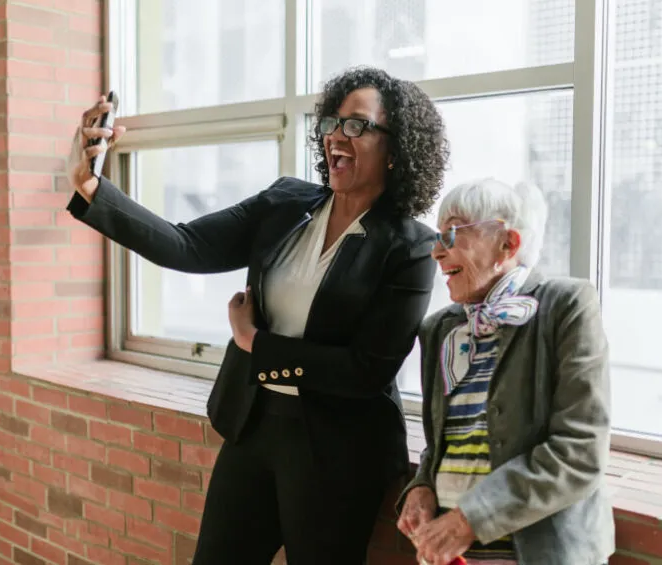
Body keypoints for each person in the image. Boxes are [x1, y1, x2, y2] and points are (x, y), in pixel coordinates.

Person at [66, 67, 449, 564]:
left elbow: (365, 370)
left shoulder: (412, 249)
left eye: (356, 125)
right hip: (255, 426)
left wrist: (254, 344)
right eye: (332, 122)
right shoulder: (287, 202)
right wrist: (93, 186)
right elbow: (189, 245)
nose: (336, 134)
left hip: (339, 450)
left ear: (397, 150)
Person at [396, 178, 615, 565]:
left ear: (507, 244)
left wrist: (471, 519)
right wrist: (423, 487)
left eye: (451, 233)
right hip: (454, 555)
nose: (436, 252)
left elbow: (580, 451)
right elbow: (446, 441)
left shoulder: (566, 307)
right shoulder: (441, 329)